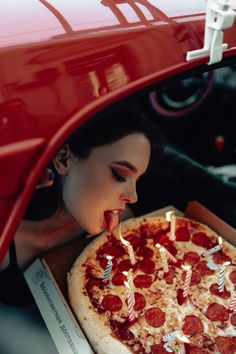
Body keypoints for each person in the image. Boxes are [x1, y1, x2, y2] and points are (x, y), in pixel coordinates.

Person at [0, 105, 165, 307]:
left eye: (137, 180)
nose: (133, 196)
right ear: (63, 159)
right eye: (119, 175)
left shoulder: (122, 223)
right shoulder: (7, 236)